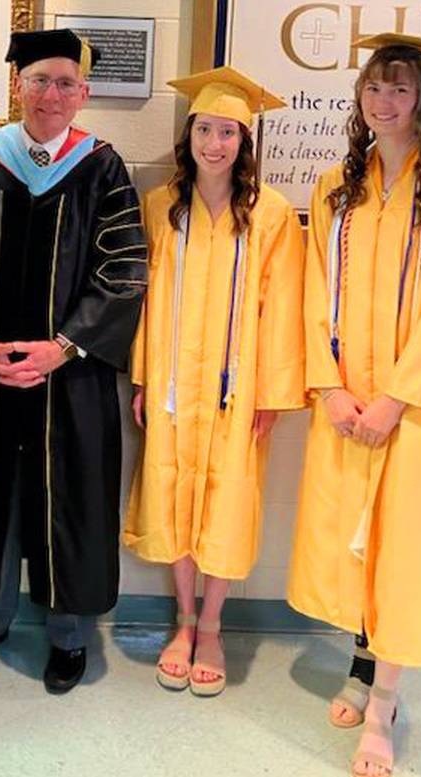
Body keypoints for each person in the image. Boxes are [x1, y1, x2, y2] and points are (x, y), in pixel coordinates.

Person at [287, 33, 421, 777]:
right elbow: (311, 291)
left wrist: (398, 399)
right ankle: (359, 665)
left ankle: (383, 707)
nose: (386, 101)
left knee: (405, 552)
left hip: (418, 411)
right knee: (357, 545)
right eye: (375, 87)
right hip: (349, 401)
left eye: (401, 89)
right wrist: (330, 384)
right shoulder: (335, 188)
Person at [0, 28, 146, 695]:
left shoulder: (103, 166)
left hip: (74, 371)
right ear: (17, 86)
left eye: (65, 83)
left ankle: (67, 634)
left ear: (83, 94)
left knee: (71, 496)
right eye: (39, 80)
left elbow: (124, 269)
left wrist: (64, 345)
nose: (51, 94)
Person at [123, 67, 305, 696]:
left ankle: (213, 628)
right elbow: (143, 302)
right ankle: (182, 619)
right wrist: (145, 377)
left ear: (244, 143)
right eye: (206, 129)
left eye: (228, 132)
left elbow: (283, 307)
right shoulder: (159, 208)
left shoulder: (273, 215)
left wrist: (274, 395)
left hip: (238, 388)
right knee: (173, 495)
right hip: (174, 385)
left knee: (226, 500)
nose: (216, 143)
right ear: (190, 134)